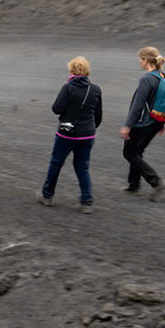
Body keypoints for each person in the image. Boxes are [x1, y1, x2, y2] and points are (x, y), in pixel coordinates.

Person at [40, 56, 102, 213]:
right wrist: (90, 128)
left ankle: (47, 195)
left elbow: (56, 109)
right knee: (82, 167)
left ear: (72, 70)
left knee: (56, 163)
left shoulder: (68, 87)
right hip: (88, 134)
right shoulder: (95, 89)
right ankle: (87, 202)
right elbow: (98, 115)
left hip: (67, 134)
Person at [120, 47, 165, 198]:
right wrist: (163, 122)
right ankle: (133, 184)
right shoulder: (164, 75)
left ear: (145, 60)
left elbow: (137, 105)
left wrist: (128, 125)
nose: (139, 62)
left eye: (140, 59)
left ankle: (156, 181)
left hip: (144, 123)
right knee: (138, 151)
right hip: (157, 122)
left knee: (129, 152)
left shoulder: (147, 79)